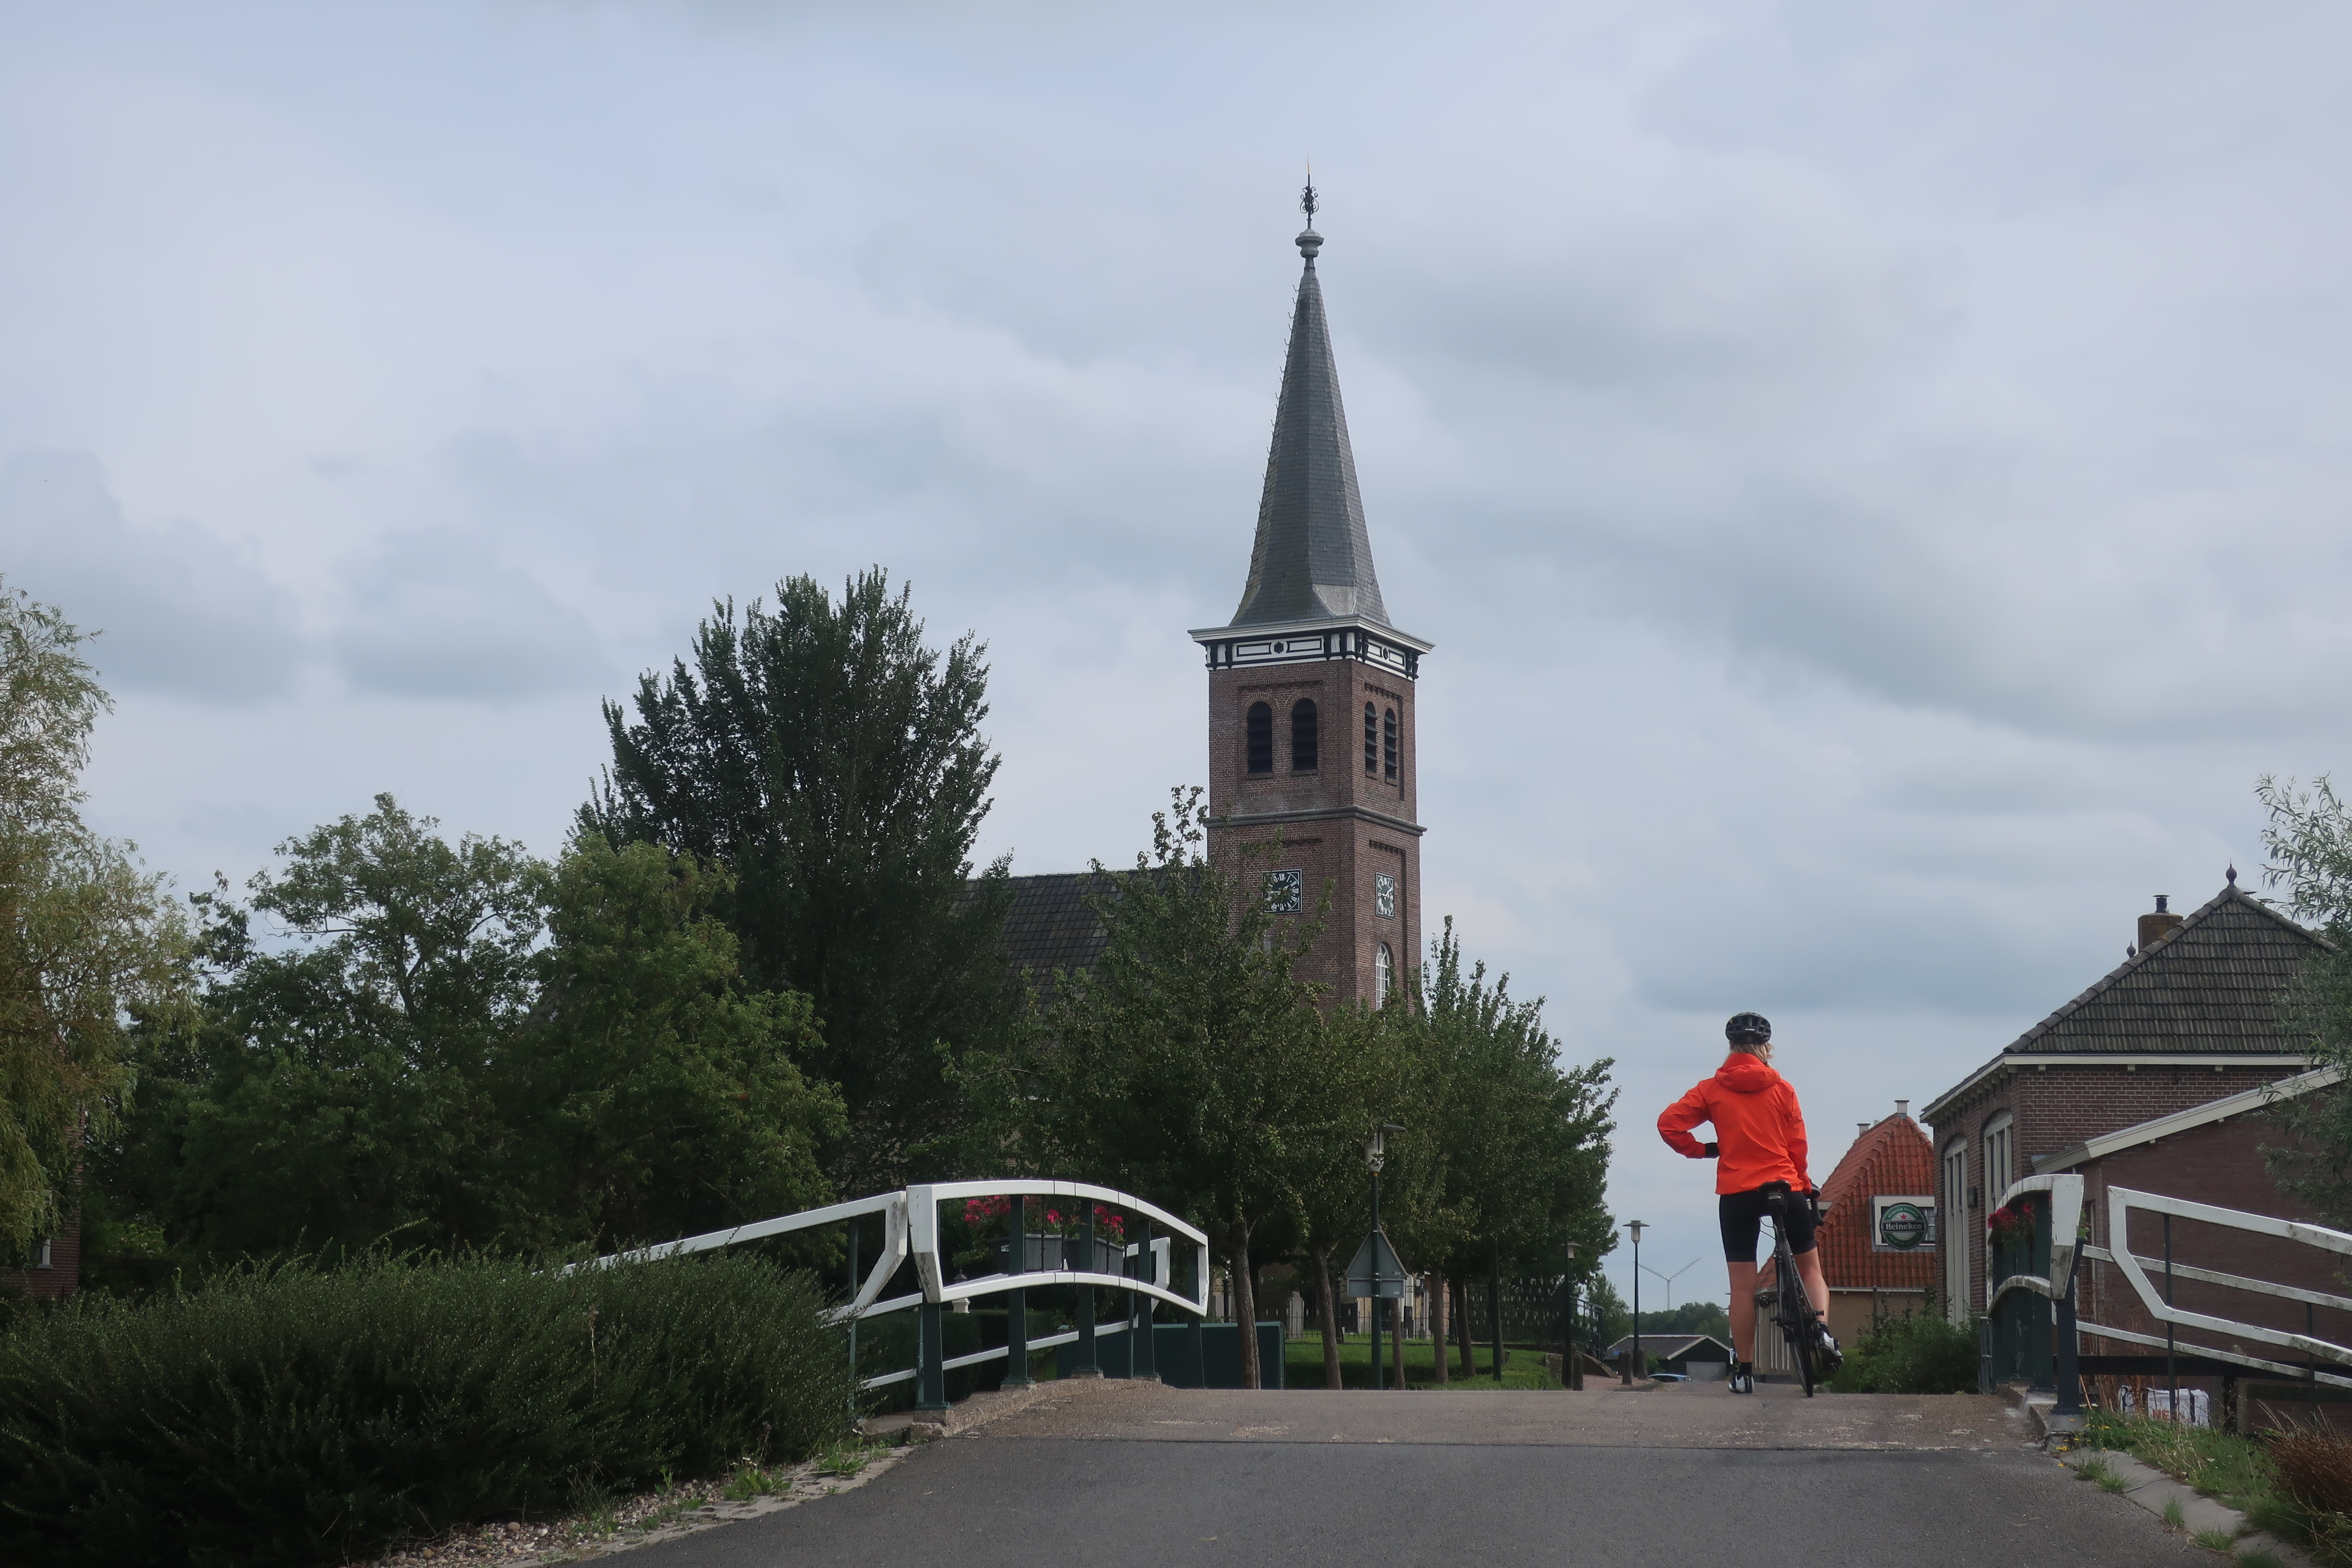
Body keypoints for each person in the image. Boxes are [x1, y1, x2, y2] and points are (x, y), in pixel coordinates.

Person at [1657, 1012, 1839, 1393]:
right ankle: (1821, 1328)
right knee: (1810, 1269)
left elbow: (1669, 1124)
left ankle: (1743, 1372)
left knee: (1742, 1287)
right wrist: (1803, 1185)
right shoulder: (1784, 1089)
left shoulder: (1711, 1089)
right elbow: (1797, 1146)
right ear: (1766, 1049)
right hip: (1784, 1187)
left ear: (1731, 1048)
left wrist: (1705, 1150)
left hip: (1737, 1193)